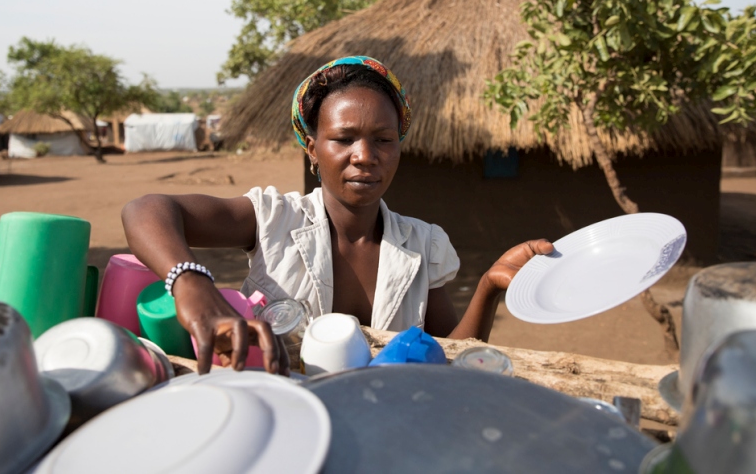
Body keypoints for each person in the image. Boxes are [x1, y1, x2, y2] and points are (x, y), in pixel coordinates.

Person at [121, 56, 553, 376]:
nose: (365, 157)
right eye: (344, 139)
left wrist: (488, 288)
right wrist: (190, 282)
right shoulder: (272, 218)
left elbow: (446, 360)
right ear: (312, 149)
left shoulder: (425, 245)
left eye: (383, 139)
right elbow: (146, 210)